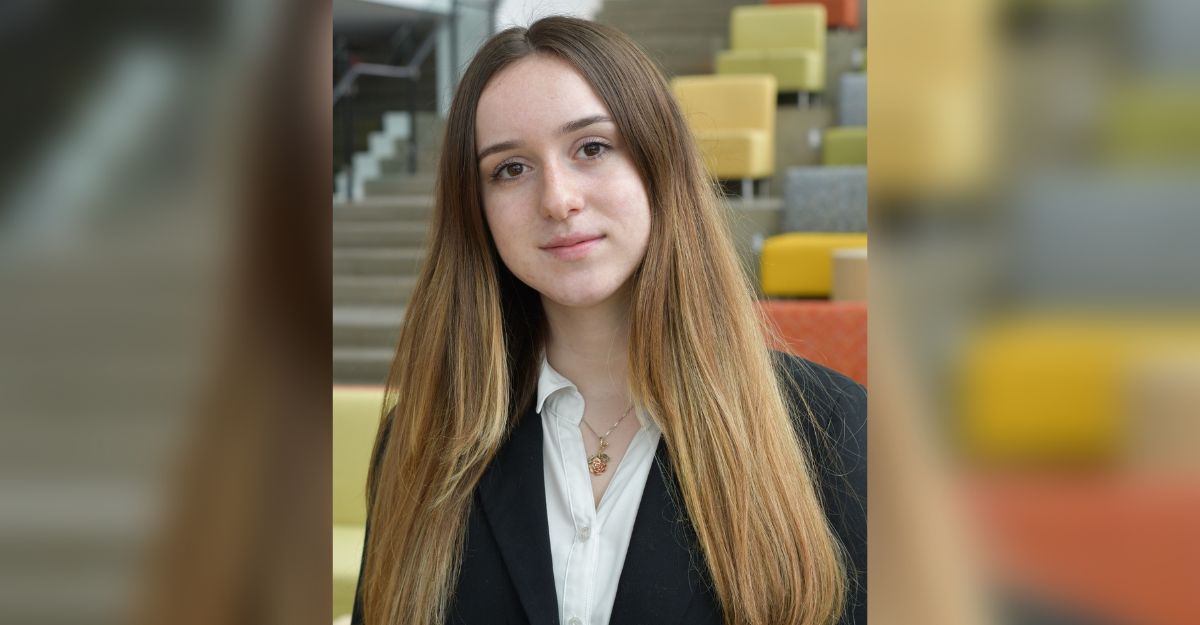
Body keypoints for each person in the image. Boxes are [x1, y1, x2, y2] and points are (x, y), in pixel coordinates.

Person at [352, 16, 866, 625]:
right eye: (510, 168)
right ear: (478, 210)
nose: (558, 200)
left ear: (658, 165)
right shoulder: (416, 441)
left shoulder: (836, 429)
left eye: (592, 148)